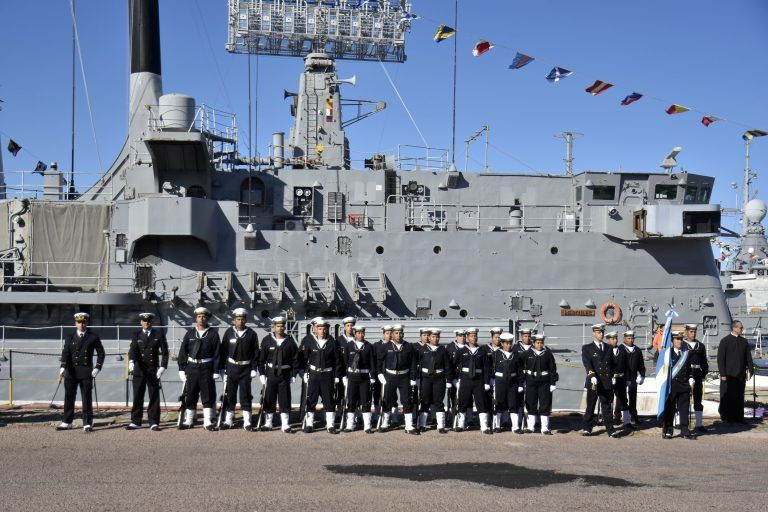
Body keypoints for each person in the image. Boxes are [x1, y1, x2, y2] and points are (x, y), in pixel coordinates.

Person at [57, 312, 105, 432]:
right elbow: (66, 353)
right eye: (79, 322)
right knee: (68, 397)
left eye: (84, 322)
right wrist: (63, 366)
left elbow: (101, 353)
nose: (81, 324)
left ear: (87, 323)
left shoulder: (93, 337)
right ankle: (67, 422)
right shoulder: (70, 337)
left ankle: (87, 423)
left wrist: (97, 368)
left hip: (86, 371)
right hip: (71, 371)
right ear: (75, 323)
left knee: (86, 398)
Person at [178, 307, 221, 431]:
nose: (201, 319)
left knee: (207, 395)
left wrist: (216, 370)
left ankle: (207, 422)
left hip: (206, 368)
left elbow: (217, 354)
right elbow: (183, 352)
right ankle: (189, 420)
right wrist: (181, 368)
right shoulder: (190, 333)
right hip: (192, 367)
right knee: (190, 394)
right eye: (199, 317)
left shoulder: (213, 334)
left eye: (204, 317)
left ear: (207, 318)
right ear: (196, 318)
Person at [126, 312, 169, 431]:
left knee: (154, 396)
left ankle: (154, 421)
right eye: (144, 321)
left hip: (152, 370)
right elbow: (133, 349)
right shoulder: (136, 334)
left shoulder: (158, 334)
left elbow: (165, 352)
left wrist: (162, 367)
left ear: (151, 322)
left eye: (149, 321)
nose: (146, 322)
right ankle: (136, 421)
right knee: (137, 396)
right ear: (141, 322)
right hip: (139, 370)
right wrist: (131, 362)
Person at [219, 308, 260, 431]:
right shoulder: (228, 333)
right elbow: (223, 352)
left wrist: (254, 368)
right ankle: (228, 420)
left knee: (245, 395)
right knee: (230, 395)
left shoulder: (252, 334)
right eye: (238, 319)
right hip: (231, 368)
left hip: (245, 368)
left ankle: (247, 422)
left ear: (246, 320)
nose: (240, 321)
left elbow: (255, 353)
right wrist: (222, 369)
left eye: (242, 319)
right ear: (234, 320)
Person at [258, 316, 299, 433]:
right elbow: (261, 360)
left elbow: (295, 359)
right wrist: (261, 374)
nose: (280, 328)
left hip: (284, 375)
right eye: (278, 326)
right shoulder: (267, 340)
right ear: (273, 327)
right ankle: (268, 423)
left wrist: (293, 374)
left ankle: (285, 424)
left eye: (282, 326)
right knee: (269, 398)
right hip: (271, 374)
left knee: (284, 399)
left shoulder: (290, 341)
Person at [376, 324, 419, 434]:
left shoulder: (409, 347)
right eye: (396, 333)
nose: (398, 335)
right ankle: (385, 423)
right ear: (392, 334)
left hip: (404, 377)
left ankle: (408, 426)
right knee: (388, 400)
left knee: (406, 400)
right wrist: (380, 374)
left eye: (400, 333)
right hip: (390, 377)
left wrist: (412, 378)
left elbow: (413, 364)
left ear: (403, 334)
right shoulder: (385, 347)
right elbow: (379, 362)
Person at [302, 318, 343, 434]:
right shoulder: (310, 341)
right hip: (314, 374)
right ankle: (309, 424)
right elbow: (305, 358)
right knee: (311, 399)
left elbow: (337, 361)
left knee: (329, 400)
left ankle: (330, 425)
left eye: (324, 329)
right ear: (316, 329)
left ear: (327, 330)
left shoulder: (332, 343)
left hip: (327, 375)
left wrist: (337, 375)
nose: (322, 331)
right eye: (320, 329)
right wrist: (305, 372)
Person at [581, 324, 619, 438]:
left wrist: (613, 376)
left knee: (606, 407)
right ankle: (587, 428)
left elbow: (612, 364)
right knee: (590, 406)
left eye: (602, 332)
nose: (601, 334)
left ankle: (610, 430)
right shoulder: (587, 348)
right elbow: (587, 363)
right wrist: (591, 375)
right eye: (598, 332)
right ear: (594, 333)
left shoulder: (608, 347)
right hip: (593, 381)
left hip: (606, 381)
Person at [455, 327, 492, 434]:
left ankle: (484, 426)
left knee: (481, 403)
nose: (474, 337)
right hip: (465, 379)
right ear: (467, 337)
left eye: (475, 335)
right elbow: (454, 366)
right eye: (471, 336)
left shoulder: (482, 351)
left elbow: (486, 368)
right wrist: (455, 380)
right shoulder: (461, 351)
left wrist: (486, 382)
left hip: (478, 380)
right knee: (463, 402)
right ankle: (460, 424)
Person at [661, 331, 696, 439]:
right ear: (672, 341)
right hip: (672, 385)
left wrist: (691, 377)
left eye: (681, 339)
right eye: (677, 339)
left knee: (684, 408)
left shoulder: (686, 353)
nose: (680, 342)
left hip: (684, 384)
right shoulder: (668, 353)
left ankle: (685, 430)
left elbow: (689, 368)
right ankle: (669, 430)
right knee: (670, 409)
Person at [717, 320, 754, 424]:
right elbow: (720, 359)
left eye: (742, 328)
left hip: (740, 375)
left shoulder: (744, 341)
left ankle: (739, 417)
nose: (742, 329)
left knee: (739, 396)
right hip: (728, 375)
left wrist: (751, 370)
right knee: (727, 396)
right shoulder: (725, 341)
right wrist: (723, 374)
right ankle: (726, 417)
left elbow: (748, 357)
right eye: (740, 328)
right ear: (734, 328)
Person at [343, 325, 377, 433]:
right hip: (352, 376)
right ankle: (350, 425)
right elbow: (345, 362)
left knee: (365, 401)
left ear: (364, 334)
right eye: (358, 333)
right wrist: (344, 375)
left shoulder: (369, 347)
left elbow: (372, 363)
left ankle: (367, 426)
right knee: (351, 401)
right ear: (355, 333)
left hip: (364, 378)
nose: (360, 335)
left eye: (362, 333)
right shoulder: (348, 346)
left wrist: (373, 376)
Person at [418, 328, 453, 434]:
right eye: (433, 336)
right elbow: (417, 364)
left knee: (438, 401)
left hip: (439, 378)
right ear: (429, 337)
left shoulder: (443, 350)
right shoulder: (422, 349)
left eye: (437, 336)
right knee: (425, 401)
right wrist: (417, 378)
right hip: (426, 378)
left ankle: (441, 426)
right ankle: (422, 425)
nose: (436, 338)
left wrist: (449, 380)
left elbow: (448, 366)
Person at [523, 334, 558, 435]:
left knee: (544, 404)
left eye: (541, 342)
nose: (540, 345)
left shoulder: (547, 354)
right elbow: (523, 368)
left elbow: (552, 369)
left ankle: (545, 427)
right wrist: (523, 381)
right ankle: (530, 427)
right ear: (533, 343)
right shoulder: (528, 353)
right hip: (531, 381)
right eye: (538, 343)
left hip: (544, 382)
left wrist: (553, 382)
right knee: (531, 403)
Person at [492, 333, 523, 433]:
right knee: (499, 403)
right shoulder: (496, 354)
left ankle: (515, 427)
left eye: (510, 343)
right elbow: (490, 369)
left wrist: (520, 384)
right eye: (506, 343)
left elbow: (520, 371)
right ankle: (497, 426)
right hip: (500, 381)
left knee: (513, 404)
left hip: (512, 382)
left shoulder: (516, 355)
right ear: (502, 343)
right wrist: (490, 380)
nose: (508, 345)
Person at [683, 323, 709, 432]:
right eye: (691, 332)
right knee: (684, 400)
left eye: (694, 332)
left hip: (697, 375)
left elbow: (704, 362)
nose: (693, 334)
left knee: (698, 399)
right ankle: (682, 423)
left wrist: (703, 375)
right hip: (686, 376)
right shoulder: (683, 345)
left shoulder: (700, 346)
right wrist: (687, 375)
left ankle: (699, 424)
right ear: (687, 332)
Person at [620, 331, 645, 426]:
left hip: (633, 377)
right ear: (625, 339)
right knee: (621, 399)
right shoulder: (620, 349)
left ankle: (634, 417)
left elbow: (641, 365)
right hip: (622, 377)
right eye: (629, 338)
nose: (631, 340)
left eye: (632, 338)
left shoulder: (637, 350)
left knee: (633, 398)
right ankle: (618, 417)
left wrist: (642, 375)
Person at [606, 331, 630, 429]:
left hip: (620, 378)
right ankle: (608, 420)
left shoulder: (622, 350)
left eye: (616, 338)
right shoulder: (605, 350)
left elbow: (626, 365)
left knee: (622, 400)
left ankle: (622, 419)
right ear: (608, 340)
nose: (615, 340)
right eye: (613, 339)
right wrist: (609, 377)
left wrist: (627, 378)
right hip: (610, 379)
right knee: (608, 400)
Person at [513, 328, 533, 428]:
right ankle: (519, 421)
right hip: (519, 378)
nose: (527, 338)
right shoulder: (516, 348)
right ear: (521, 336)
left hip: (531, 378)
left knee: (530, 400)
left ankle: (531, 422)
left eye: (529, 336)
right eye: (525, 336)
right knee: (519, 400)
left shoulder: (534, 347)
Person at [446, 329, 467, 426]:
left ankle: (464, 419)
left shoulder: (468, 347)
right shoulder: (450, 347)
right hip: (454, 377)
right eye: (460, 336)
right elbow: (448, 365)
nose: (462, 338)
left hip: (465, 378)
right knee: (453, 399)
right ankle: (452, 417)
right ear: (456, 337)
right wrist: (451, 379)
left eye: (463, 336)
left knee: (465, 399)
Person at [371, 325, 392, 421]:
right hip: (378, 375)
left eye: (391, 333)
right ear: (384, 334)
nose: (389, 335)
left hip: (390, 375)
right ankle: (376, 416)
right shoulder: (376, 345)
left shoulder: (394, 346)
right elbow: (374, 361)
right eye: (387, 333)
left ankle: (391, 417)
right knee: (376, 395)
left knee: (391, 396)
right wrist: (374, 375)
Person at [485, 327, 503, 430]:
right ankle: (488, 421)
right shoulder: (485, 349)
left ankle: (497, 424)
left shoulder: (503, 349)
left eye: (499, 337)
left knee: (498, 401)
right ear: (491, 337)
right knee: (487, 400)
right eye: (496, 337)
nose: (498, 340)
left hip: (499, 379)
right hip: (488, 379)